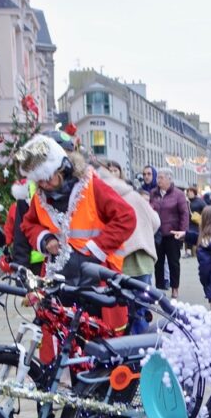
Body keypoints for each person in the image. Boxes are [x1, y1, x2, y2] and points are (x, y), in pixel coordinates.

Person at [17, 133, 136, 285]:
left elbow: (126, 217)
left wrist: (94, 248)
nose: (44, 185)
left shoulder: (92, 186)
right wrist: (45, 239)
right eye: (39, 182)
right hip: (58, 275)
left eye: (47, 178)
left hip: (96, 273)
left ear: (61, 169)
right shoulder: (39, 198)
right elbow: (28, 224)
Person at [96, 158, 160, 333]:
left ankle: (126, 348)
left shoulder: (100, 197)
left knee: (121, 309)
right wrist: (143, 236)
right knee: (140, 307)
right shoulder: (134, 195)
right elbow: (155, 221)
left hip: (119, 260)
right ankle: (142, 349)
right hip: (144, 257)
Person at [149, 169, 189, 298]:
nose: (158, 180)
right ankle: (160, 288)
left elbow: (184, 213)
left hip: (173, 233)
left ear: (169, 179)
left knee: (173, 262)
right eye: (158, 178)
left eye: (161, 178)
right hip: (158, 233)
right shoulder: (153, 193)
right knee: (158, 262)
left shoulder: (178, 194)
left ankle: (174, 288)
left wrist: (183, 231)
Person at [184, 185, 206, 257]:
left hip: (197, 223)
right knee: (187, 232)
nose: (189, 193)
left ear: (194, 193)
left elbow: (206, 209)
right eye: (188, 192)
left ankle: (191, 251)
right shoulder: (186, 201)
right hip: (188, 221)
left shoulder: (200, 201)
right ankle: (188, 251)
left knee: (191, 232)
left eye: (191, 192)